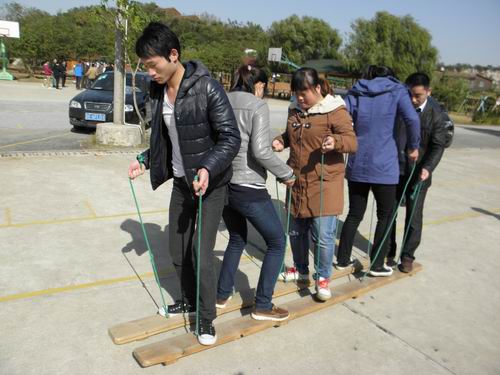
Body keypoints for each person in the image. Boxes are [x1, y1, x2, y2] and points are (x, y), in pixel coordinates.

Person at [128, 22, 240, 346]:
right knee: (177, 252)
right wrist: (145, 159)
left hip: (210, 185)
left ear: (173, 55)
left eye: (153, 64)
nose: (150, 71)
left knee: (201, 253)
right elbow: (167, 138)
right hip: (181, 184)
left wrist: (207, 167)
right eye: (146, 66)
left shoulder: (206, 87)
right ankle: (189, 300)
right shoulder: (160, 91)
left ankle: (206, 318)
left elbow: (231, 138)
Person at [216, 65, 295, 321]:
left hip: (223, 182)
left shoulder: (222, 99)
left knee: (237, 238)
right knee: (277, 242)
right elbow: (261, 151)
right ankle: (263, 304)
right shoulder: (257, 105)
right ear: (259, 85)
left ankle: (221, 295)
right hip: (248, 186)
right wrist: (286, 174)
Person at [272, 68, 357, 301]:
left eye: (304, 92)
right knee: (296, 231)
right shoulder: (295, 111)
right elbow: (291, 136)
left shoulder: (334, 111)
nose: (300, 98)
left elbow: (352, 141)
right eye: (296, 93)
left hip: (324, 183)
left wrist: (336, 141)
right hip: (297, 181)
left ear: (317, 88)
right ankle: (301, 270)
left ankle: (323, 277)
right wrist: (281, 141)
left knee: (323, 235)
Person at [336, 65, 420, 277]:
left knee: (354, 214)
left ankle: (342, 260)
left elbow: (342, 117)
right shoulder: (397, 90)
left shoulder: (356, 90)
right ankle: (376, 265)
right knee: (386, 215)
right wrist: (413, 146)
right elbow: (412, 118)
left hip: (358, 160)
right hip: (384, 164)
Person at [388, 72, 447, 273]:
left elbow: (438, 146)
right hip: (396, 168)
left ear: (428, 92)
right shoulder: (400, 106)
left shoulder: (437, 114)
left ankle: (407, 256)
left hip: (419, 173)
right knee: (389, 213)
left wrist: (427, 168)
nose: (413, 100)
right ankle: (388, 251)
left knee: (413, 217)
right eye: (409, 94)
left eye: (418, 96)